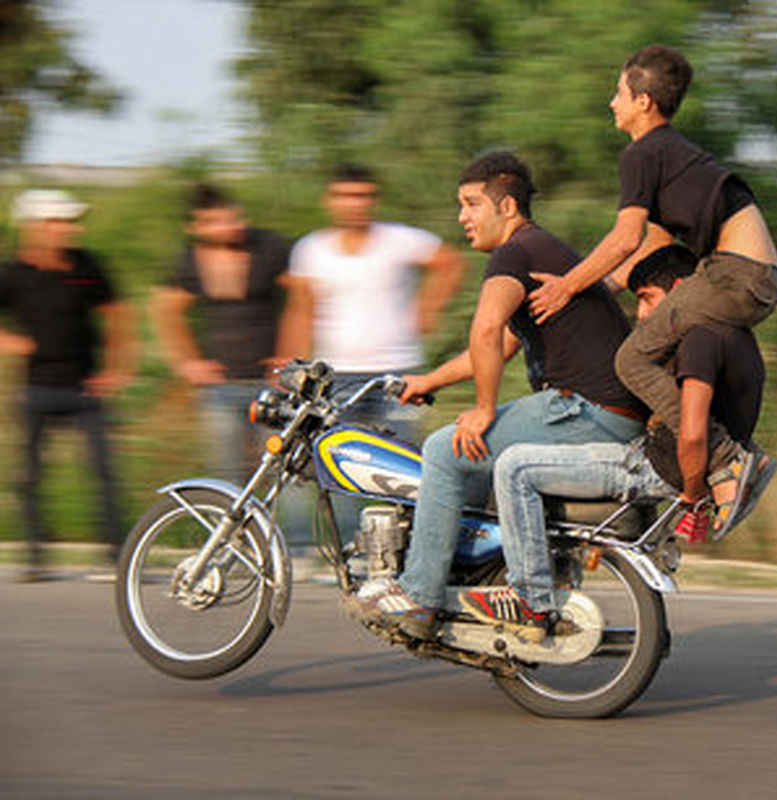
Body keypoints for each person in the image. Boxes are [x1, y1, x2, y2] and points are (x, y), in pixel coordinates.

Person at [349, 151, 647, 638]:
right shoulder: (542, 250)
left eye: (470, 204)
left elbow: (485, 330)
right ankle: (463, 579)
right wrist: (429, 382)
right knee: (464, 458)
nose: (462, 217)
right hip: (602, 411)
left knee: (444, 452)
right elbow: (502, 343)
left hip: (584, 410)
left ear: (506, 207)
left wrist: (484, 409)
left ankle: (418, 596)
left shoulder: (516, 252)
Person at [527, 43, 777, 534]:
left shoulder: (642, 152)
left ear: (644, 101)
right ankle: (702, 466)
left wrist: (566, 288)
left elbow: (624, 238)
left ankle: (728, 460)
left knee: (631, 359)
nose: (612, 102)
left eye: (619, 91)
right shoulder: (673, 154)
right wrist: (599, 290)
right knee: (658, 350)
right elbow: (653, 244)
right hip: (756, 277)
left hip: (734, 273)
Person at [459, 244, 768, 639]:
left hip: (652, 468)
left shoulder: (699, 340)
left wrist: (693, 491)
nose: (641, 314)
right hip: (654, 458)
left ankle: (530, 600)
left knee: (514, 466)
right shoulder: (736, 335)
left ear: (679, 290)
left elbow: (692, 432)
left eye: (646, 300)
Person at [0, 189, 135, 581]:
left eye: (70, 221)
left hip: (85, 390)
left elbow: (116, 315)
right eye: (58, 222)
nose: (68, 229)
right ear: (34, 227)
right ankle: (35, 558)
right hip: (36, 389)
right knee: (29, 475)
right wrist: (11, 343)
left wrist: (116, 369)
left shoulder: (87, 264)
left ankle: (115, 557)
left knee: (104, 472)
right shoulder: (12, 273)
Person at [277, 163, 465, 442]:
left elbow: (450, 262)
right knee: (336, 456)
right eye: (345, 196)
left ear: (374, 200)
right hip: (334, 375)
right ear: (328, 201)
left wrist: (427, 310)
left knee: (401, 455)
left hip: (398, 372)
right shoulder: (311, 249)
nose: (355, 204)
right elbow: (300, 311)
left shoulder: (399, 238)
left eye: (363, 196)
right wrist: (290, 363)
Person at [151, 183, 292, 482]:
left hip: (272, 384)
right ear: (196, 226)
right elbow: (167, 309)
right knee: (227, 475)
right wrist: (188, 362)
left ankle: (287, 531)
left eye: (233, 218)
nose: (230, 226)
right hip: (220, 387)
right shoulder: (190, 259)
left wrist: (289, 356)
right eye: (216, 221)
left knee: (283, 474)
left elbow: (302, 300)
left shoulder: (269, 248)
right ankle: (239, 530)